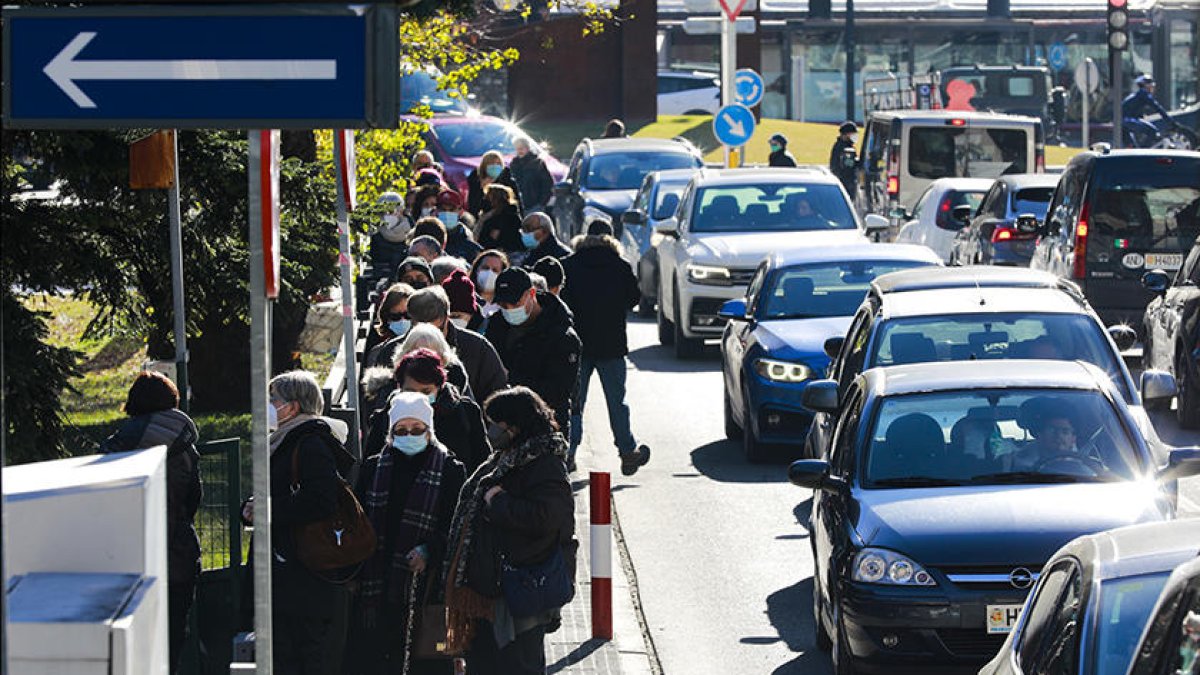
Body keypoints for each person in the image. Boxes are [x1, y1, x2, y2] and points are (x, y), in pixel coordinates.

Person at [443, 387, 576, 675]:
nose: (490, 430)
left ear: (515, 427)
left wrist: (499, 502)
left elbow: (547, 518)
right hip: (490, 589)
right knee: (486, 663)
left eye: (496, 424)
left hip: (522, 587)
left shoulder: (545, 464)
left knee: (518, 663)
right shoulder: (506, 458)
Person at [350, 390, 465, 675]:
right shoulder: (374, 467)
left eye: (417, 429)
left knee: (427, 663)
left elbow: (457, 526)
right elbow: (358, 519)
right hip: (378, 582)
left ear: (429, 431)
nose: (409, 435)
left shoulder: (449, 469)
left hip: (428, 589)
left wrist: (430, 550)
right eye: (401, 430)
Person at [100, 371, 202, 674]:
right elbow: (194, 499)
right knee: (172, 639)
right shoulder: (185, 444)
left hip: (130, 558)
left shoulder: (120, 445)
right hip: (178, 555)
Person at [256, 371, 357, 674]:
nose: (269, 406)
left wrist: (270, 510)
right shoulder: (283, 441)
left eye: (274, 400)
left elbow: (320, 499)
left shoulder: (309, 443)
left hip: (303, 575)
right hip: (292, 572)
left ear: (294, 406)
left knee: (303, 654)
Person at [561, 218, 651, 475]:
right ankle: (627, 451)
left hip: (576, 345)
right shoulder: (619, 265)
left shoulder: (570, 265)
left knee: (575, 403)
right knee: (617, 402)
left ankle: (569, 453)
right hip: (611, 344)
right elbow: (634, 299)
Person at [485, 267, 582, 440]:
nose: (509, 310)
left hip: (545, 426)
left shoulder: (561, 335)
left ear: (531, 294)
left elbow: (558, 391)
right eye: (503, 305)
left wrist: (511, 378)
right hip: (503, 426)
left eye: (515, 304)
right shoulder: (498, 324)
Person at [395, 349, 492, 475]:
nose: (418, 397)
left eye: (426, 391)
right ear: (400, 388)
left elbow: (483, 461)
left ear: (439, 387)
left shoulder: (465, 412)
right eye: (411, 391)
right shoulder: (387, 416)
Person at [408, 284, 509, 404]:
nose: (429, 338)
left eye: (436, 331)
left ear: (446, 317)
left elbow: (498, 399)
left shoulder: (477, 348)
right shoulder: (393, 352)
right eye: (421, 331)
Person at [365, 283, 416, 364]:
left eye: (407, 315)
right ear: (386, 318)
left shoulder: (429, 346)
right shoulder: (377, 354)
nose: (402, 320)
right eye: (395, 316)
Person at [1122, 74, 1176, 147]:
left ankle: (1140, 150)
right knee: (1152, 131)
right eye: (1151, 86)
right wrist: (1170, 121)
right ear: (1146, 86)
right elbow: (1157, 108)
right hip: (1126, 120)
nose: (1153, 89)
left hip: (1124, 120)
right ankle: (1145, 151)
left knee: (1132, 145)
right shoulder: (1143, 94)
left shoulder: (1138, 95)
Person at [467, 151, 523, 219]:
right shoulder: (475, 178)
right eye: (492, 163)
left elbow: (516, 202)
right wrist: (482, 188)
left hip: (504, 218)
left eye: (498, 163)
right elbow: (473, 205)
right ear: (485, 165)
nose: (495, 166)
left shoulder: (507, 178)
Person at [508, 136, 554, 213]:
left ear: (528, 148)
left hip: (535, 205)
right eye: (517, 148)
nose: (520, 150)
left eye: (522, 147)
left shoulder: (537, 163)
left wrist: (542, 203)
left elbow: (548, 183)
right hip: (519, 205)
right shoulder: (514, 164)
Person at [372, 191, 412, 279]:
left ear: (401, 211)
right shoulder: (375, 233)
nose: (387, 215)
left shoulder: (411, 229)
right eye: (383, 212)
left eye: (390, 211)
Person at [438, 189, 483, 263]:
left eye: (451, 210)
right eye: (443, 209)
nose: (447, 213)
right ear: (436, 210)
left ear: (460, 212)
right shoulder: (428, 233)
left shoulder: (468, 241)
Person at [476, 185, 524, 253]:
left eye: (488, 196)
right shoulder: (489, 215)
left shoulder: (505, 217)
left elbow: (493, 238)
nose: (485, 198)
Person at [829, 121, 859, 194]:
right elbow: (848, 165)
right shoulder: (842, 148)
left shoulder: (847, 146)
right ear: (846, 134)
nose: (855, 136)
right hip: (845, 182)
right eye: (853, 134)